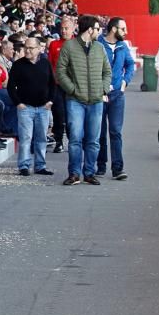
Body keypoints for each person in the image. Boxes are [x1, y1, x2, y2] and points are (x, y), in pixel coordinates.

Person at [55, 14, 110, 187]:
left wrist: (103, 89)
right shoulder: (69, 47)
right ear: (90, 29)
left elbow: (107, 72)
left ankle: (89, 173)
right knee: (76, 139)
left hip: (96, 101)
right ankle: (74, 174)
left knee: (93, 140)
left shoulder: (100, 48)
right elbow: (60, 72)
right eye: (97, 28)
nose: (99, 31)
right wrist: (72, 90)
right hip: (75, 101)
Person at [8, 36, 55, 176]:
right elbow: (11, 86)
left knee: (41, 137)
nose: (27, 50)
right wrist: (18, 103)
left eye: (31, 48)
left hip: (43, 107)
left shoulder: (45, 63)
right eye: (26, 47)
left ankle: (40, 166)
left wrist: (50, 101)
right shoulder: (18, 65)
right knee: (26, 137)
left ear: (39, 49)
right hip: (25, 107)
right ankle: (24, 165)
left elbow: (52, 84)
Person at [96, 17, 134, 179]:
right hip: (99, 93)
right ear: (113, 29)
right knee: (100, 132)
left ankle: (118, 168)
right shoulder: (97, 44)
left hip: (117, 95)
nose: (126, 32)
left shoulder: (122, 46)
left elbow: (130, 64)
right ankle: (100, 165)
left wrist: (125, 81)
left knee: (116, 131)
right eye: (123, 28)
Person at [47, 16, 74, 153]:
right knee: (58, 113)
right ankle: (58, 141)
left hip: (72, 86)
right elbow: (50, 64)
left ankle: (72, 140)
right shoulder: (54, 44)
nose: (63, 31)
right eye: (62, 28)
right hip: (57, 85)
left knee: (71, 114)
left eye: (66, 28)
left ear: (73, 29)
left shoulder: (78, 43)